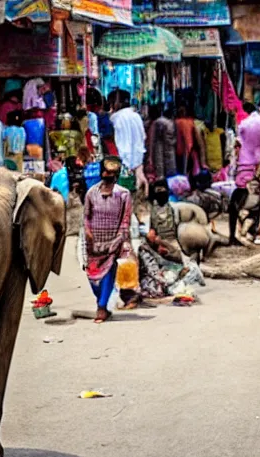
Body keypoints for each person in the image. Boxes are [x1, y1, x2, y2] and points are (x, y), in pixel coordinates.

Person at [82, 156, 134, 323]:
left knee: (109, 274)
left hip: (114, 240)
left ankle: (102, 307)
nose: (108, 174)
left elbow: (125, 220)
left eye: (112, 172)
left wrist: (119, 240)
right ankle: (101, 301)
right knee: (92, 276)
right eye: (106, 171)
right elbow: (86, 217)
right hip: (93, 243)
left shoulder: (123, 194)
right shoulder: (91, 193)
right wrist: (88, 233)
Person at [110, 89, 148, 198]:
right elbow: (142, 139)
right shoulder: (136, 117)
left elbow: (117, 143)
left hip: (121, 165)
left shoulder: (115, 119)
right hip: (137, 166)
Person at [236, 102, 260, 188]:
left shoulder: (244, 123)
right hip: (259, 158)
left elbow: (239, 140)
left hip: (245, 160)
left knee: (242, 182)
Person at [146, 105, 177, 181]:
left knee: (160, 172)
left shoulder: (155, 123)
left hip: (158, 153)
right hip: (170, 152)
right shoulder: (169, 122)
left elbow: (151, 140)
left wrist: (150, 157)